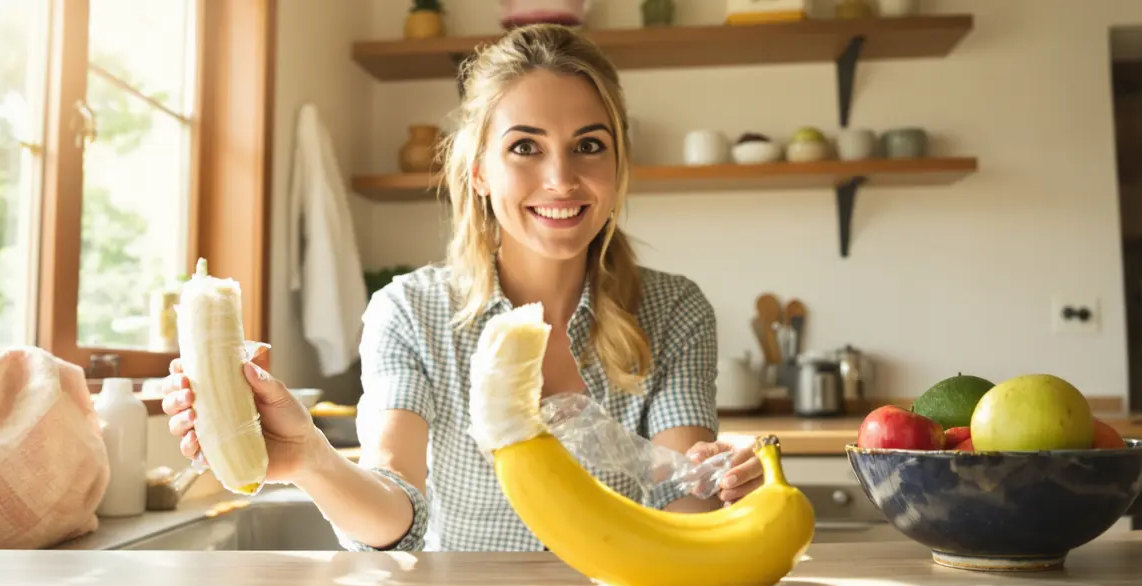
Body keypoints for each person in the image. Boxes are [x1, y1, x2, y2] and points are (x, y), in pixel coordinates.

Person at [161, 23, 764, 552]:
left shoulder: (674, 310)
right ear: (478, 170)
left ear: (617, 166)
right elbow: (396, 513)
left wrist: (721, 482)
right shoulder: (409, 313)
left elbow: (683, 506)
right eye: (524, 146)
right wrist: (308, 460)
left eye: (589, 146)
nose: (561, 179)